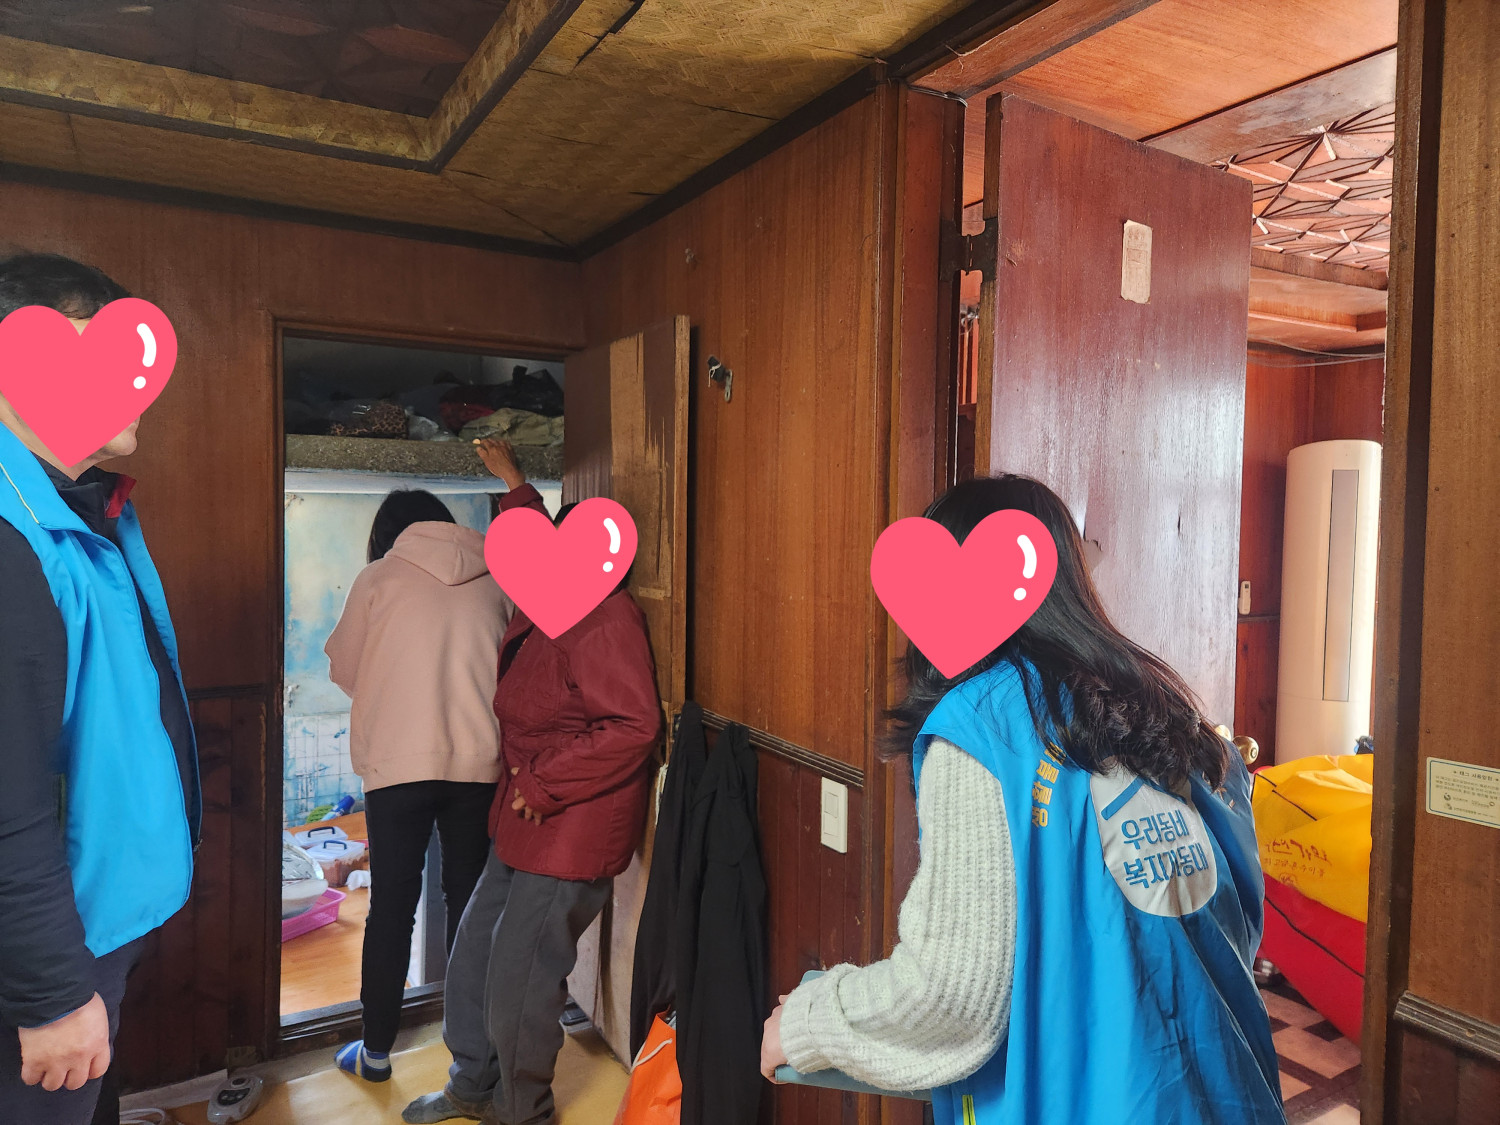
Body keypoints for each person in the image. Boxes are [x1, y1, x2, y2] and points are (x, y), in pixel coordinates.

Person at [758, 475, 1286, 1125]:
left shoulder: (983, 725)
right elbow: (1237, 923)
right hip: (1233, 1095)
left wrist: (805, 1023)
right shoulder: (1168, 711)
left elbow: (952, 995)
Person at [405, 440, 662, 1125]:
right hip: (523, 814)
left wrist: (543, 783)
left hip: (571, 824)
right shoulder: (551, 602)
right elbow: (530, 539)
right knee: (474, 955)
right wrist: (515, 482)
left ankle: (522, 1110)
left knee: (520, 976)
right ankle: (472, 1084)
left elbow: (634, 725)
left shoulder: (606, 619)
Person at [0, 252, 201, 1124]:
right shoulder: (10, 536)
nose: (135, 384)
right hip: (46, 957)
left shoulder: (82, 504)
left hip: (92, 923)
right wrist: (50, 992)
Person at [324, 489, 515, 1082]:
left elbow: (345, 670)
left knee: (391, 908)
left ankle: (376, 1052)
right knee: (470, 905)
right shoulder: (498, 580)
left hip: (396, 767)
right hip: (479, 764)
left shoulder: (377, 579)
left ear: (388, 534)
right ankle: (470, 1057)